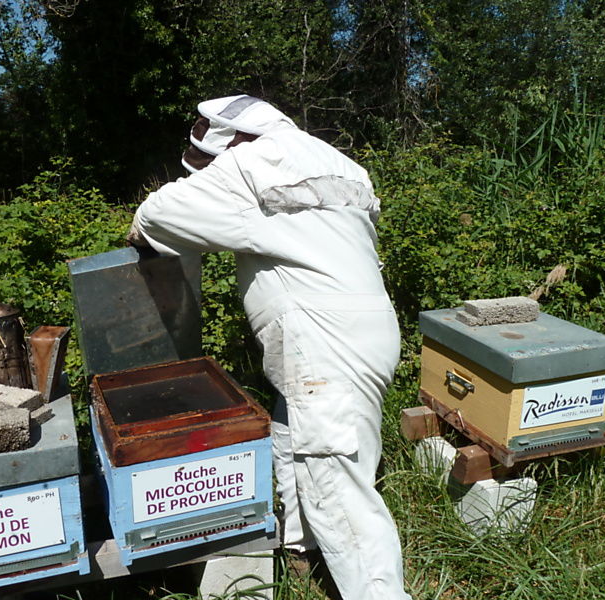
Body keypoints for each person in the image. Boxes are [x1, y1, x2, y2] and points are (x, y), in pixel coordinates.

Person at [127, 95, 410, 600]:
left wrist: (140, 233)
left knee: (335, 480)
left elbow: (160, 214)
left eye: (211, 161)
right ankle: (301, 549)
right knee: (293, 424)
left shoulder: (250, 162)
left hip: (322, 337)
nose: (211, 172)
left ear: (231, 140)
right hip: (370, 324)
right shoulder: (339, 161)